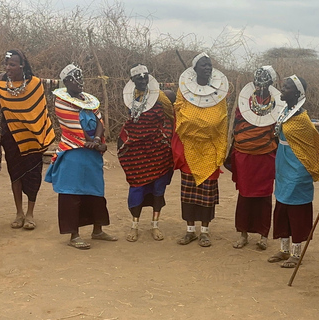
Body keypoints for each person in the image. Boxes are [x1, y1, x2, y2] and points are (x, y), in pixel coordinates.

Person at [45, 64, 117, 249]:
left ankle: (97, 230)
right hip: (73, 152)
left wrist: (96, 138)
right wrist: (90, 142)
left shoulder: (88, 100)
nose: (81, 82)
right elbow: (72, 125)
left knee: (96, 191)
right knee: (72, 193)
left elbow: (99, 120)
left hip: (91, 154)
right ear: (67, 81)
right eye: (76, 78)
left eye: (81, 77)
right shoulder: (61, 101)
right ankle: (74, 235)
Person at [267, 75, 319, 268]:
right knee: (282, 206)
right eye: (283, 87)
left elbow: (311, 146)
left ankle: (296, 253)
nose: (282, 90)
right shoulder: (286, 111)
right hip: (283, 165)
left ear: (298, 93)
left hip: (298, 168)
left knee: (297, 209)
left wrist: (305, 169)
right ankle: (283, 250)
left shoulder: (302, 119)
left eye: (287, 88)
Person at [172, 52, 228, 247]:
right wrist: (193, 124)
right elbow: (179, 111)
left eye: (209, 64)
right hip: (190, 146)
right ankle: (190, 231)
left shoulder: (219, 93)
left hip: (210, 147)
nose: (207, 67)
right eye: (203, 65)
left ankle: (204, 231)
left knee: (207, 192)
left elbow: (222, 120)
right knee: (189, 191)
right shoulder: (184, 90)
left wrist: (221, 149)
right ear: (194, 70)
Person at [0, 49, 55, 230]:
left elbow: (40, 111)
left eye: (12, 65)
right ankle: (19, 212)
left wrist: (40, 133)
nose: (8, 68)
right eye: (6, 64)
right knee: (15, 174)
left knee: (32, 174)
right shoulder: (0, 83)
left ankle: (30, 213)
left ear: (22, 65)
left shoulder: (35, 84)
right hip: (11, 137)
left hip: (32, 138)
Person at [118, 64, 175, 242]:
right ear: (133, 81)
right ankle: (134, 226)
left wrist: (166, 138)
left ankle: (155, 225)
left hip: (157, 151)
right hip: (136, 152)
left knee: (158, 188)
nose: (143, 80)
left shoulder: (161, 97)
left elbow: (171, 118)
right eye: (139, 78)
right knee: (136, 187)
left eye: (145, 77)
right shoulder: (130, 98)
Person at [230, 66, 285, 250]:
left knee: (264, 196)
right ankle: (243, 233)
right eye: (257, 78)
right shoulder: (245, 101)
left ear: (271, 82)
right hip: (244, 154)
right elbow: (238, 122)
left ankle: (263, 236)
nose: (260, 82)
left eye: (264, 79)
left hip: (265, 155)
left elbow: (277, 129)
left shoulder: (277, 103)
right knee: (244, 195)